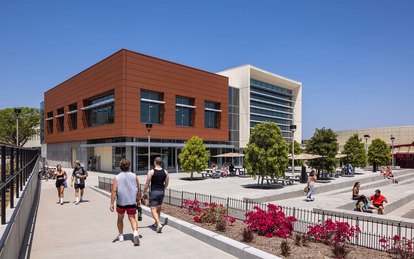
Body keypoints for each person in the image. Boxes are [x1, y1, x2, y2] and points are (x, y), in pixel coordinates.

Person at [110, 159, 140, 246]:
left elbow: (114, 191)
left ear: (120, 167)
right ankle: (135, 233)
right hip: (131, 202)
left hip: (121, 202)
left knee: (120, 219)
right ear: (129, 166)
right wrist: (138, 200)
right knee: (132, 218)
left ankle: (121, 236)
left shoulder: (117, 177)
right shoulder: (134, 176)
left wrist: (112, 203)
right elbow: (138, 189)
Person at [142, 157, 169, 233]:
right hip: (161, 192)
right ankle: (156, 223)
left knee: (153, 209)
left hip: (154, 192)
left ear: (155, 162)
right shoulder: (166, 172)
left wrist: (143, 192)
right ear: (161, 163)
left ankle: (159, 224)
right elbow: (166, 183)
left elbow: (147, 184)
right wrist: (163, 189)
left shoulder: (151, 172)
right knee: (159, 207)